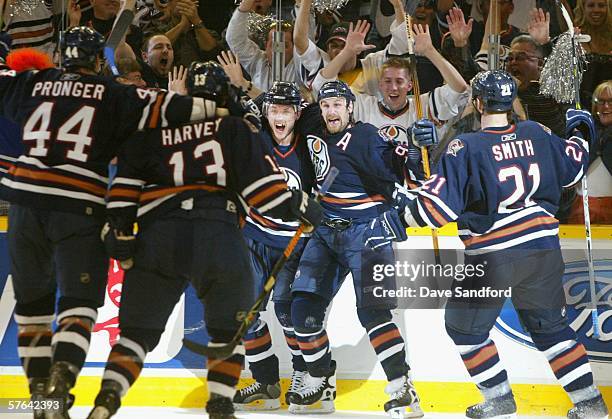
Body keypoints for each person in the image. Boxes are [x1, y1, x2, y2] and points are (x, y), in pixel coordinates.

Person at [0, 26, 217, 419]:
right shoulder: (114, 94)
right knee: (79, 306)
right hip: (79, 206)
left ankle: (41, 400)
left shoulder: (32, 83)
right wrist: (223, 107)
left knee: (31, 310)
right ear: (98, 61)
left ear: (62, 56)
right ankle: (62, 379)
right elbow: (175, 109)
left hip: (24, 204)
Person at [86, 62, 324, 419]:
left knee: (134, 335)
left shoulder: (151, 129)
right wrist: (304, 207)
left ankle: (106, 400)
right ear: (223, 95)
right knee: (228, 332)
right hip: (218, 234)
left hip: (158, 236)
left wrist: (118, 232)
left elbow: (123, 190)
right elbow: (266, 193)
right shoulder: (232, 128)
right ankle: (220, 405)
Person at [394, 70, 609, 419]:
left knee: (463, 328)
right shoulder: (537, 132)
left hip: (494, 256)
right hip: (542, 250)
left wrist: (402, 199)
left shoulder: (465, 147)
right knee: (550, 328)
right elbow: (573, 167)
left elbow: (433, 211)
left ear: (478, 103)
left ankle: (498, 397)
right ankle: (589, 402)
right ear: (511, 103)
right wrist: (582, 129)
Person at [288, 79, 426, 417]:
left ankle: (402, 389)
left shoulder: (367, 137)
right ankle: (321, 381)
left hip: (368, 234)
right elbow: (284, 113)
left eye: (338, 104)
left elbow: (402, 179)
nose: (331, 110)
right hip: (326, 232)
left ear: (351, 107)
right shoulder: (313, 126)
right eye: (326, 104)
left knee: (373, 313)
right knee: (302, 310)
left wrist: (417, 154)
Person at [232, 81, 318, 411]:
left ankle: (301, 374)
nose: (279, 117)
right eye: (274, 111)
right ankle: (266, 382)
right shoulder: (257, 139)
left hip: (294, 244)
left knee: (287, 311)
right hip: (255, 238)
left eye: (286, 111)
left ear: (298, 113)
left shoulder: (311, 144)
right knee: (246, 312)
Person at [315, 22, 468, 151]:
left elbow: (459, 87)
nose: (393, 87)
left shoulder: (423, 105)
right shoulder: (364, 105)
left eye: (399, 81)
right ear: (380, 85)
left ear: (410, 85)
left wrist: (430, 51)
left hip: (411, 183)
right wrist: (347, 51)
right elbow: (322, 87)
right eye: (388, 81)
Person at [567, 79, 612, 224]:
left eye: (611, 101)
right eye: (601, 101)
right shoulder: (584, 130)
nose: (606, 106)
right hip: (582, 207)